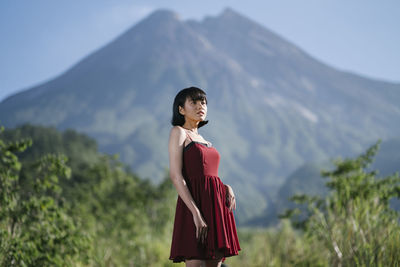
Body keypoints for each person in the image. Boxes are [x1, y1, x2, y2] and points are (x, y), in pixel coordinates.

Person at [168, 87, 241, 267]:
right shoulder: (179, 132)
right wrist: (196, 213)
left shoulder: (204, 139)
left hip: (215, 207)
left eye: (204, 102)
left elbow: (208, 174)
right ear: (181, 109)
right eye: (194, 102)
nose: (201, 106)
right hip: (194, 206)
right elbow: (176, 176)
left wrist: (226, 187)